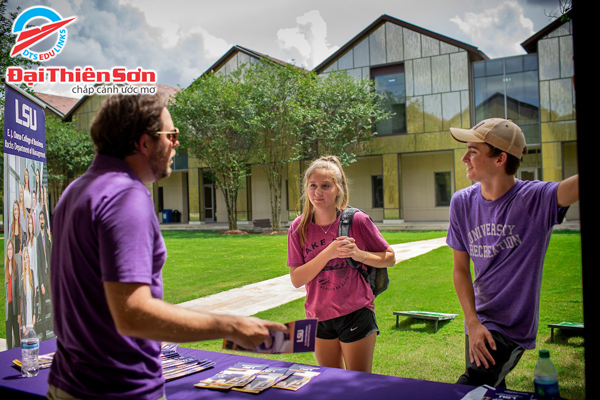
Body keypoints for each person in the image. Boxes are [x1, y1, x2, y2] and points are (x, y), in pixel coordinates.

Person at [48, 93, 287, 400]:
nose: (176, 144)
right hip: (119, 390)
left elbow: (92, 298)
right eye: (171, 135)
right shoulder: (126, 196)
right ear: (144, 143)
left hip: (68, 382)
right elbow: (132, 314)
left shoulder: (76, 190)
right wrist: (231, 325)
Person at [446, 118, 579, 388]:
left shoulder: (535, 199)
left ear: (500, 159)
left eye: (472, 151)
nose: (464, 158)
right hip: (477, 321)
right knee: (490, 391)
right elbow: (460, 269)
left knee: (470, 388)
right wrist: (472, 323)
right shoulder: (461, 202)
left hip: (510, 327)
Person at [287, 155, 395, 373]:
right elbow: (297, 279)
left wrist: (358, 254)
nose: (318, 192)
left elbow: (390, 258)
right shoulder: (298, 228)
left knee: (358, 384)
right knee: (331, 384)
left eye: (325, 186)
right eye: (313, 186)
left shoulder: (357, 220)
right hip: (318, 317)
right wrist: (328, 253)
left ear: (339, 188)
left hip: (356, 311)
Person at [4, 239, 22, 349]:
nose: (9, 252)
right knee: (8, 335)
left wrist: (19, 312)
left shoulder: (16, 267)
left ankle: (16, 353)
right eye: (8, 250)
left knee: (16, 332)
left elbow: (18, 290)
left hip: (15, 305)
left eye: (11, 249)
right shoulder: (5, 267)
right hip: (8, 306)